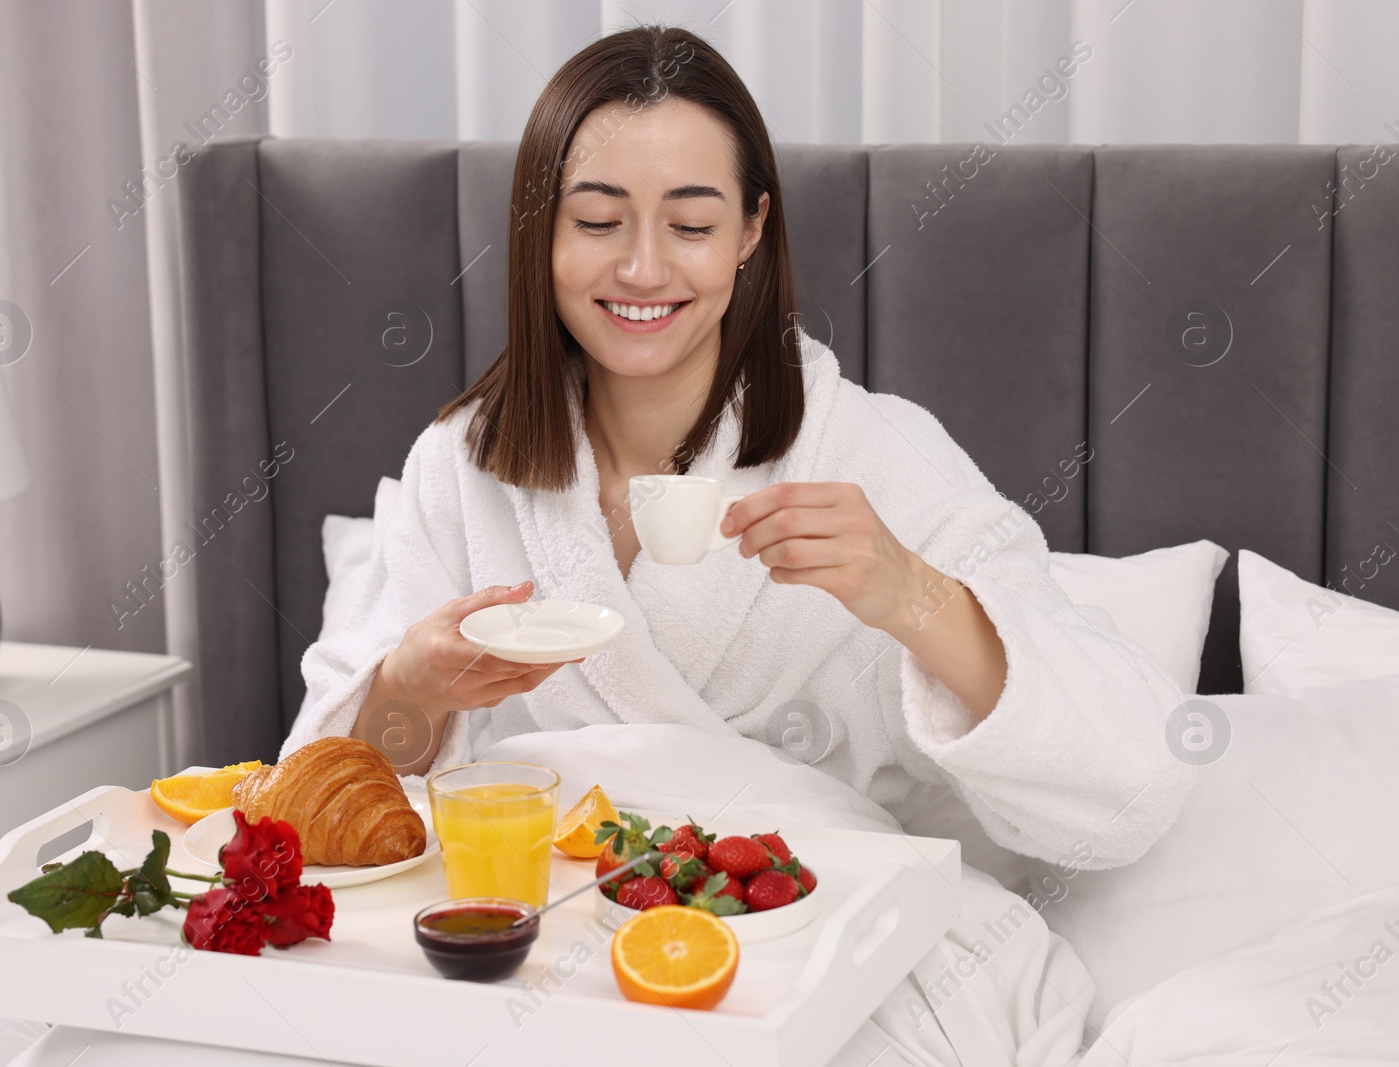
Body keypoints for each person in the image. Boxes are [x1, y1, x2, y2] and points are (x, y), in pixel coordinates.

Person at [287, 24, 1192, 873]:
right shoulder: (463, 466)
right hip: (542, 924)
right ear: (540, 231)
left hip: (812, 922)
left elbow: (1134, 787)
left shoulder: (871, 453)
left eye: (691, 225)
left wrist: (908, 593)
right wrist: (415, 683)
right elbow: (322, 801)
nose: (643, 270)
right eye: (598, 222)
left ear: (752, 230)